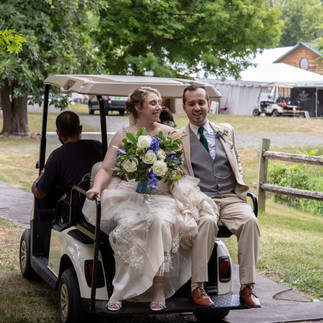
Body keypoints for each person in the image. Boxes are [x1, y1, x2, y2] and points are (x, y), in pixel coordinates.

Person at [82, 87, 218, 312]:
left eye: (159, 103)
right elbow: (106, 168)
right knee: (129, 225)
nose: (159, 108)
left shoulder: (170, 134)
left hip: (163, 195)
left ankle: (158, 289)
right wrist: (96, 187)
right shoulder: (124, 135)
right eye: (153, 103)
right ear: (138, 107)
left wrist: (164, 169)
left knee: (161, 222)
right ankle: (121, 289)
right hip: (131, 194)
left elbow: (179, 171)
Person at [179, 84, 261, 308]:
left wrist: (238, 183)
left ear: (209, 104)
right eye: (192, 104)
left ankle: (247, 286)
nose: (197, 108)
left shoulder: (226, 129)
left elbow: (236, 161)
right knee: (206, 223)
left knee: (250, 221)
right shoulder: (178, 138)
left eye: (201, 102)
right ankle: (197, 287)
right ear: (184, 107)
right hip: (202, 199)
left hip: (230, 197)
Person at [32, 111, 102, 202]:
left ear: (58, 133)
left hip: (73, 211)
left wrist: (38, 179)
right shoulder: (97, 147)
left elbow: (39, 193)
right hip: (99, 203)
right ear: (80, 129)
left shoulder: (56, 156)